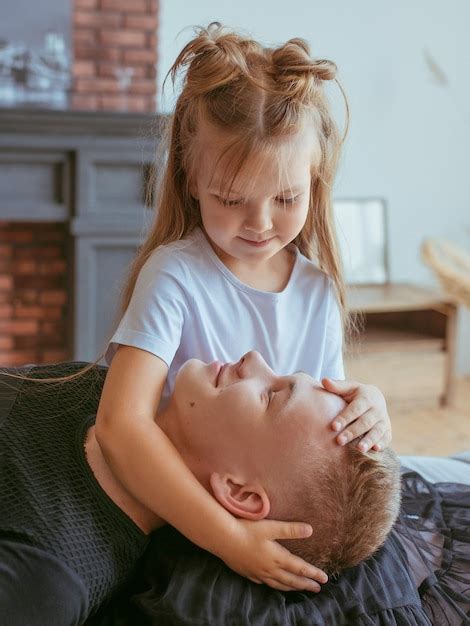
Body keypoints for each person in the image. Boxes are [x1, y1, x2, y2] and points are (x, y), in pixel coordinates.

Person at [90, 21, 392, 593]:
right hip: (187, 514)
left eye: (286, 198)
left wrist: (368, 407)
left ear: (315, 181)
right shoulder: (176, 274)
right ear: (193, 179)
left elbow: (315, 431)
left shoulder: (316, 291)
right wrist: (228, 539)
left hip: (259, 507)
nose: (259, 224)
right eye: (232, 200)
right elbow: (120, 425)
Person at [0, 351, 401, 626]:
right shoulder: (109, 392)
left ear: (239, 493)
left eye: (269, 394)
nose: (254, 359)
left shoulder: (50, 575)